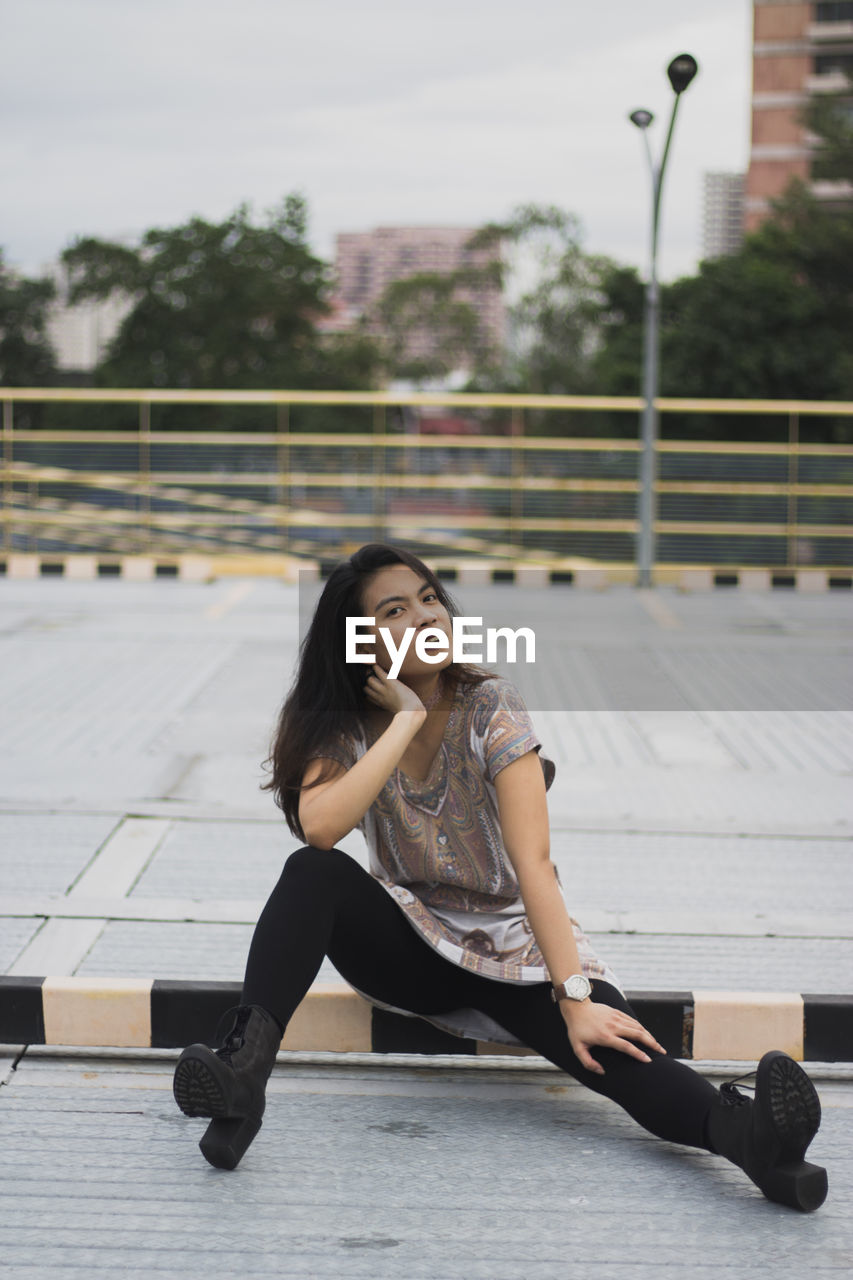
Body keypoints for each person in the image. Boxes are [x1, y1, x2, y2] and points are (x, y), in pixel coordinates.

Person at [173, 542, 828, 1211]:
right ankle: (243, 1076)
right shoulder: (346, 726)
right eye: (395, 611)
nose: (426, 616)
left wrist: (573, 997)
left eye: (429, 598)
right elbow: (319, 828)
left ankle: (759, 1148)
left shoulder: (491, 705)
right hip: (407, 945)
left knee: (611, 1043)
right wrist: (404, 719)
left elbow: (533, 864)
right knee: (312, 873)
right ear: (360, 640)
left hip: (514, 947)